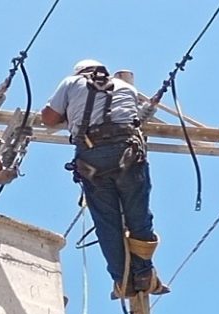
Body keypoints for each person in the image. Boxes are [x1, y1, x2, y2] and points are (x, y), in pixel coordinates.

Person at [41, 59, 168, 299]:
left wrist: (69, 114)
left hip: (92, 159)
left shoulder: (71, 82)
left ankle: (122, 280)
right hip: (127, 153)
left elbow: (47, 118)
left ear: (80, 73)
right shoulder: (126, 88)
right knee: (139, 216)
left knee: (107, 223)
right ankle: (143, 274)